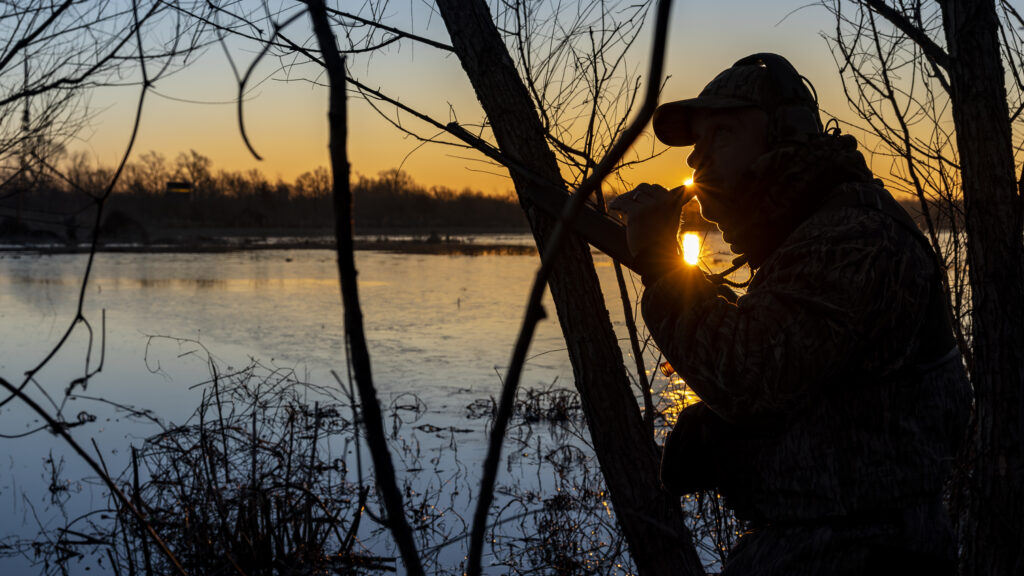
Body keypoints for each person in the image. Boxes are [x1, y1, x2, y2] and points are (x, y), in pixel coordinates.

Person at [610, 54, 971, 575]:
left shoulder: (852, 238)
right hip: (823, 548)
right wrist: (722, 435)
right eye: (696, 144)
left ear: (782, 137)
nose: (696, 161)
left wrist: (661, 269)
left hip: (865, 557)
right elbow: (808, 377)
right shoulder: (812, 233)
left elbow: (749, 373)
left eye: (722, 135)